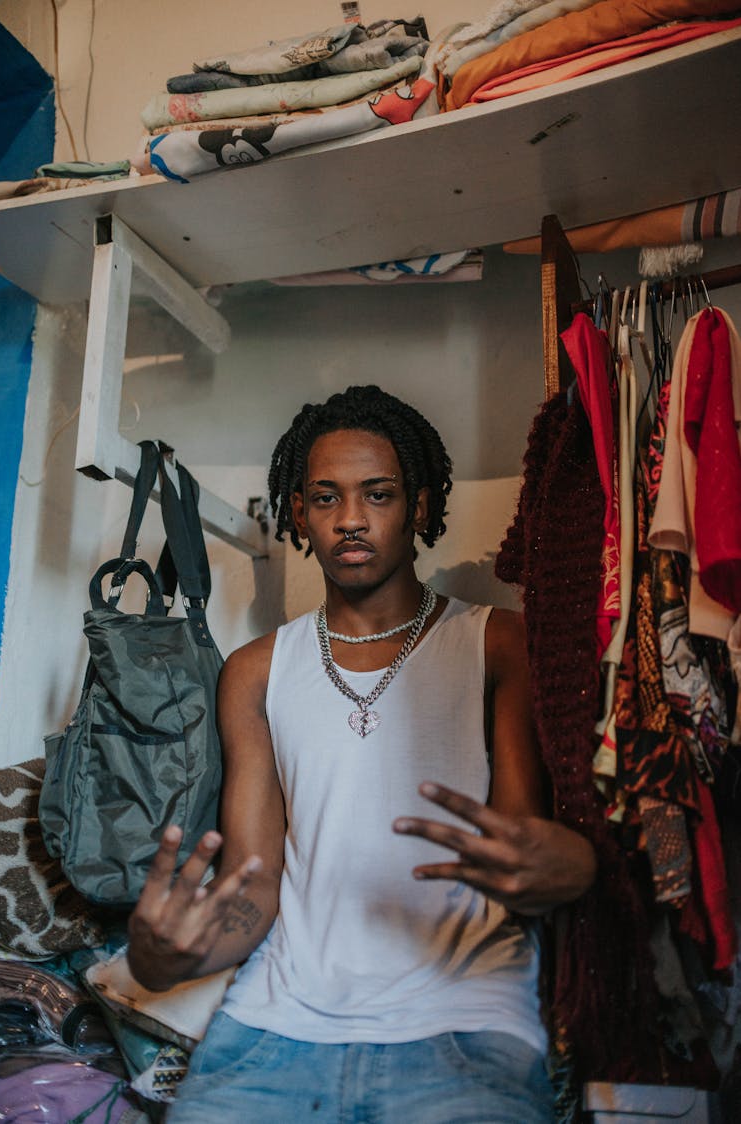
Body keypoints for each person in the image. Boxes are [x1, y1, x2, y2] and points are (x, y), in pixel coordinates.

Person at [127, 384, 596, 1123]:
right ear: (299, 517)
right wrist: (164, 955)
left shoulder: (499, 642)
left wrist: (575, 865)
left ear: (419, 506)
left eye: (377, 494)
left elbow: (522, 856)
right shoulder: (255, 671)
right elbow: (256, 884)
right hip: (275, 1026)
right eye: (325, 498)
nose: (350, 519)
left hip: (465, 1025)